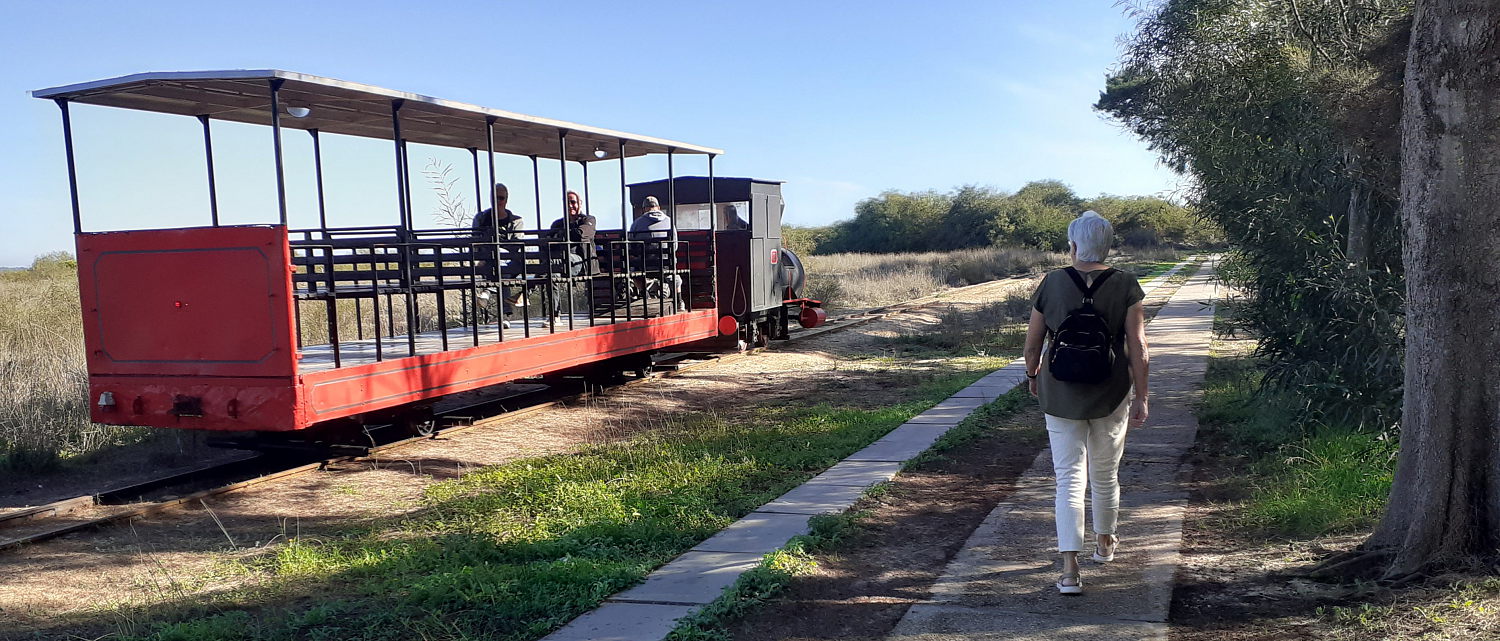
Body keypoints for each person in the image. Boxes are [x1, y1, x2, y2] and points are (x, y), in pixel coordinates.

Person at [1022, 210, 1149, 595]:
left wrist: (1033, 377)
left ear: (1074, 245)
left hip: (1060, 393)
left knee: (1068, 478)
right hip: (1111, 392)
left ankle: (1069, 571)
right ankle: (1105, 543)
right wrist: (1142, 395)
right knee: (1105, 473)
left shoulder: (1052, 282)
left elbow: (1032, 344)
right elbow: (1138, 346)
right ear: (1107, 246)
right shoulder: (1126, 284)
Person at [471, 183, 525, 326]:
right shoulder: (481, 218)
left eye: (501, 198)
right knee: (501, 273)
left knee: (500, 263)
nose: (498, 201)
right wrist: (481, 257)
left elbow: (516, 246)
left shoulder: (516, 221)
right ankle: (505, 316)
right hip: (487, 262)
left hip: (510, 262)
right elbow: (475, 241)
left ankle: (487, 292)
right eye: (495, 198)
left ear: (506, 200)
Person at [545, 190, 597, 324]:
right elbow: (549, 241)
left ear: (580, 203)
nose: (570, 205)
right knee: (552, 272)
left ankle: (526, 292)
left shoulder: (588, 220)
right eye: (567, 202)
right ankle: (555, 315)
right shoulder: (557, 223)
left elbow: (580, 234)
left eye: (573, 202)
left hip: (582, 262)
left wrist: (560, 234)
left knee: (553, 264)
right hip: (560, 263)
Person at [627, 196, 682, 311]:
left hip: (644, 265)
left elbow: (632, 247)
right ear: (658, 207)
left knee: (633, 271)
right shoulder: (669, 221)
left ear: (644, 209)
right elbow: (675, 246)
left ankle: (645, 295)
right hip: (665, 265)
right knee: (673, 273)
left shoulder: (637, 223)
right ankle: (679, 300)